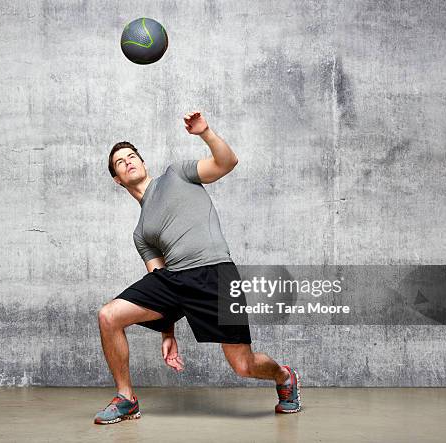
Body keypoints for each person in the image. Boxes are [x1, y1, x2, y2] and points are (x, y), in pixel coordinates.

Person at [94, 111, 301, 425]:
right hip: (175, 279)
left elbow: (226, 162)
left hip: (215, 273)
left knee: (243, 365)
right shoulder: (141, 234)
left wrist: (206, 133)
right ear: (117, 179)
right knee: (109, 315)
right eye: (120, 162)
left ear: (143, 162)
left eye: (132, 156)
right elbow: (159, 280)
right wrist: (167, 331)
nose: (128, 161)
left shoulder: (177, 174)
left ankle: (283, 376)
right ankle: (126, 398)